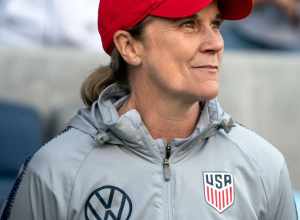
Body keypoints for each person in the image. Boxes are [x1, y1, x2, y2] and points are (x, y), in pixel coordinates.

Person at [0, 0, 297, 219]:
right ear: (129, 46)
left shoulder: (263, 167)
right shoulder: (55, 172)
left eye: (215, 24)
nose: (215, 43)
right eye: (189, 24)